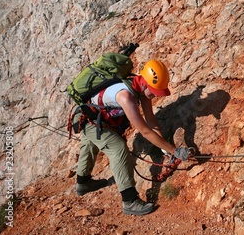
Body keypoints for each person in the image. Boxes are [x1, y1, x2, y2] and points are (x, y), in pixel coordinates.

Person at [74, 59, 190, 215]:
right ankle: (129, 201)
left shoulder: (141, 88)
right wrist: (175, 150)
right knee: (118, 149)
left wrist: (166, 149)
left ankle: (83, 183)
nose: (155, 95)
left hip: (93, 116)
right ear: (145, 84)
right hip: (89, 119)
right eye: (154, 91)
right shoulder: (125, 97)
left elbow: (151, 121)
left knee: (90, 144)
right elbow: (145, 131)